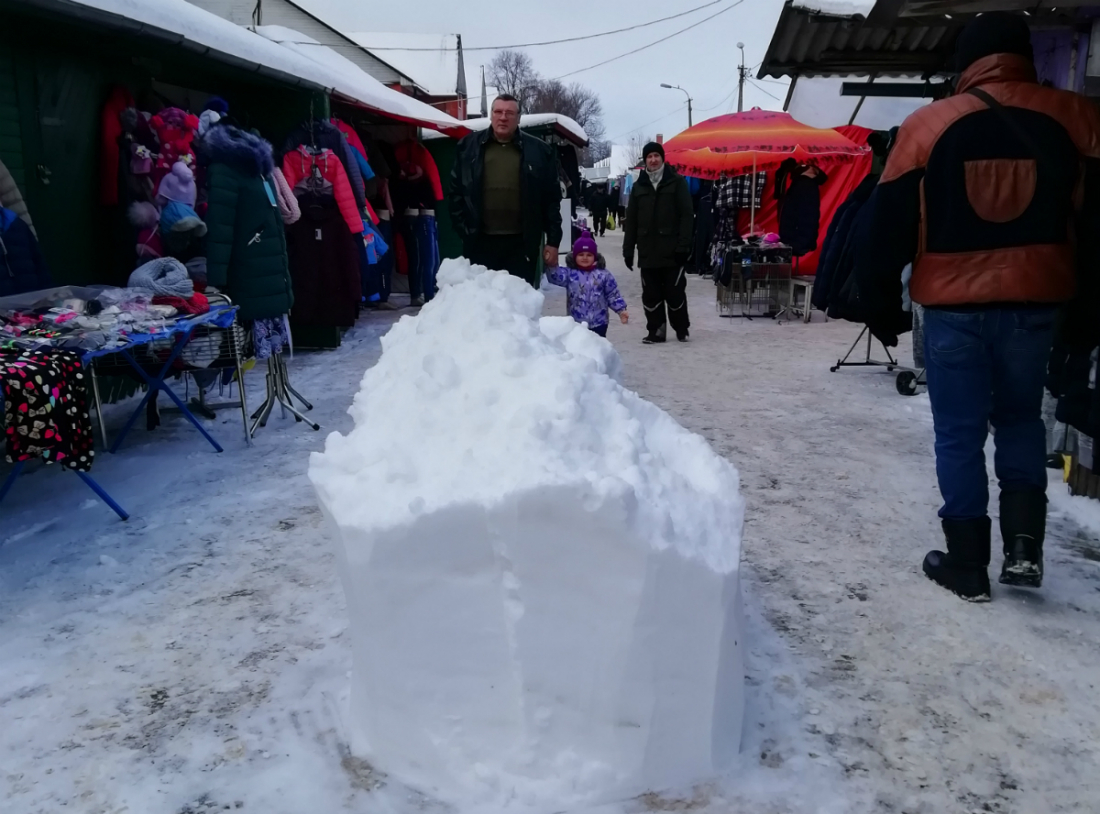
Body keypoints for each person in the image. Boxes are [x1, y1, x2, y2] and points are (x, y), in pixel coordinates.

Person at [858, 12, 1100, 602]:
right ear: (1026, 57)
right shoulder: (1077, 118)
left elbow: (882, 228)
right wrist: (1086, 315)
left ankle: (966, 562)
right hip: (1037, 301)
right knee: (1019, 419)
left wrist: (880, 304)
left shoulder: (926, 126)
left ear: (968, 62)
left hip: (952, 308)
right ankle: (1023, 548)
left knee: (959, 431)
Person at [448, 94, 563, 286]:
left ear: (518, 118)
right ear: (491, 115)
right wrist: (465, 231)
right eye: (498, 112)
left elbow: (551, 200)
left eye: (509, 113)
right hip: (480, 242)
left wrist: (553, 240)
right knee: (484, 304)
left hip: (521, 244)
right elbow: (455, 193)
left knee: (519, 303)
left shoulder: (539, 151)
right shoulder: (468, 148)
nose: (503, 117)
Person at [623, 142, 694, 344]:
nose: (653, 160)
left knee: (675, 292)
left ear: (662, 158)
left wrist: (684, 246)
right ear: (645, 160)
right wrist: (628, 250)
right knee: (651, 294)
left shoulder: (677, 183)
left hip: (672, 250)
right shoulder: (638, 187)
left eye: (656, 155)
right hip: (648, 251)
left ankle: (681, 327)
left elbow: (687, 216)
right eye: (649, 156)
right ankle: (656, 330)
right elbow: (632, 221)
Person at [543, 230, 628, 337]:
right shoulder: (570, 273)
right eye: (581, 254)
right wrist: (551, 265)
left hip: (599, 322)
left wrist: (621, 310)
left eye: (589, 255)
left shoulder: (603, 274)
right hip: (576, 321)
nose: (585, 258)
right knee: (579, 346)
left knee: (597, 346)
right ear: (574, 256)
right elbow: (555, 277)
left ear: (595, 256)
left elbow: (613, 294)